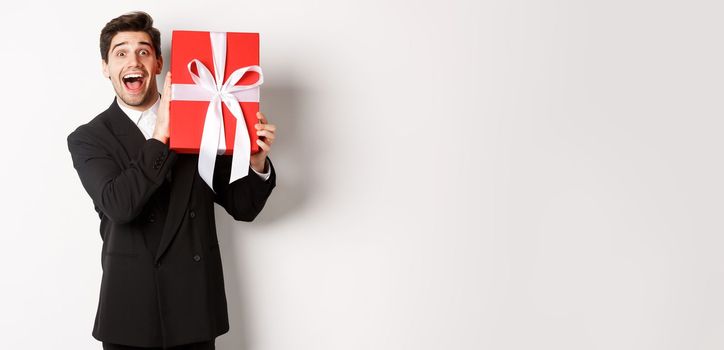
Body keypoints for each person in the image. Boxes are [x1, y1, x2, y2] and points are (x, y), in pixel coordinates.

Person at [66, 11, 277, 350]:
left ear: (159, 63)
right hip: (129, 312)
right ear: (106, 67)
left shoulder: (203, 123)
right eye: (120, 52)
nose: (132, 60)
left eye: (143, 51)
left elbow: (244, 207)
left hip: (193, 308)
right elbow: (120, 206)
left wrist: (255, 161)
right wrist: (162, 135)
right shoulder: (89, 138)